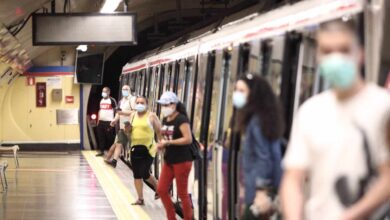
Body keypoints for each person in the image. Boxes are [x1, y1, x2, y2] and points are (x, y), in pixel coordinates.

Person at [280, 19, 390, 220]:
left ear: (360, 54)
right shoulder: (310, 112)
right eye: (328, 51)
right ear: (318, 57)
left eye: (344, 49)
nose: (336, 58)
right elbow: (293, 179)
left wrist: (352, 215)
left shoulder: (383, 107)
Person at [232, 73, 284, 219]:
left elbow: (264, 158)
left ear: (254, 94)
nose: (237, 94)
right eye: (236, 90)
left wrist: (262, 191)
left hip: (260, 194)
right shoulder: (263, 118)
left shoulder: (256, 121)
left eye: (241, 91)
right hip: (258, 190)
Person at [156, 91, 194, 220]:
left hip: (182, 160)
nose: (164, 108)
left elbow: (188, 139)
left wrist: (168, 142)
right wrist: (161, 144)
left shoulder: (181, 119)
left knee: (182, 193)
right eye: (162, 105)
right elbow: (165, 136)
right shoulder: (165, 119)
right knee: (161, 189)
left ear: (173, 105)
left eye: (166, 105)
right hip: (170, 159)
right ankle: (171, 217)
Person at [129, 96, 162, 206]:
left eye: (142, 102)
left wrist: (162, 145)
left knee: (144, 172)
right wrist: (127, 129)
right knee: (137, 174)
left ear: (147, 104)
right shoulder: (132, 115)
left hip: (149, 150)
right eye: (137, 102)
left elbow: (159, 132)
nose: (139, 104)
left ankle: (158, 186)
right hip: (135, 149)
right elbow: (128, 132)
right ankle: (140, 198)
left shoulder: (151, 116)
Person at [105, 85, 133, 167]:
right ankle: (114, 161)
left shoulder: (132, 100)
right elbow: (119, 113)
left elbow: (134, 112)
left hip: (130, 126)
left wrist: (123, 112)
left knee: (132, 145)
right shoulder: (122, 101)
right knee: (119, 144)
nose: (124, 90)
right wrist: (114, 120)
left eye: (126, 89)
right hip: (122, 127)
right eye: (123, 89)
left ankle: (136, 162)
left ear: (130, 90)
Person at [96, 87, 117, 157]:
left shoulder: (112, 100)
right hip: (101, 122)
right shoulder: (101, 100)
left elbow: (116, 111)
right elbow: (100, 110)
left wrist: (114, 120)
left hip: (109, 122)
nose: (103, 93)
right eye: (102, 91)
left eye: (105, 91)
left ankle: (111, 152)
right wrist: (98, 120)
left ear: (108, 92)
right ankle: (101, 151)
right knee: (101, 137)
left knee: (110, 137)